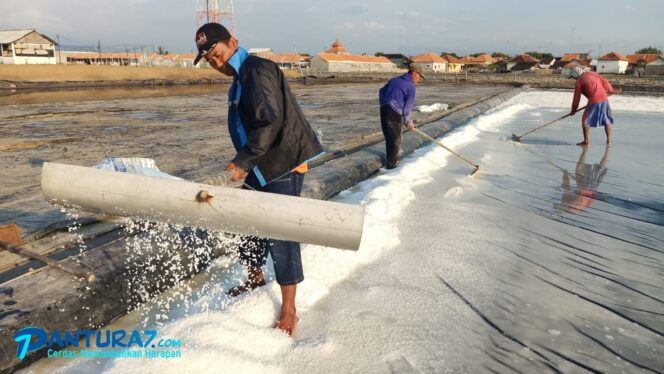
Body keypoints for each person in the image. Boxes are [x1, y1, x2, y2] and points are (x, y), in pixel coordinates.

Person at [193, 23, 323, 336]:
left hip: (283, 164)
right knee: (248, 222)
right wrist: (247, 163)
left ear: (233, 42)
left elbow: (270, 121)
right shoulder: (240, 78)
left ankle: (290, 308)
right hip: (260, 166)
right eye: (210, 60)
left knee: (281, 232)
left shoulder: (256, 69)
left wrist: (241, 162)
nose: (216, 63)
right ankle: (254, 279)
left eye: (218, 54)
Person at [378, 63, 425, 169]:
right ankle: (392, 165)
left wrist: (383, 103)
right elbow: (408, 107)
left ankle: (390, 162)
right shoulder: (410, 86)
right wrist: (408, 121)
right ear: (414, 73)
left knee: (389, 137)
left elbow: (381, 91)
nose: (419, 79)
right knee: (396, 139)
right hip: (394, 112)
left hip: (384, 109)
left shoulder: (394, 80)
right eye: (419, 76)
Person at [569, 67, 621, 146]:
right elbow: (605, 83)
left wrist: (573, 110)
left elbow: (576, 98)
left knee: (585, 120)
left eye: (573, 77)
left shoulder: (579, 82)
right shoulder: (593, 73)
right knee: (606, 119)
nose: (573, 79)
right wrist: (614, 91)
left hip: (594, 100)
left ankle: (586, 141)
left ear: (576, 75)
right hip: (604, 99)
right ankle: (609, 141)